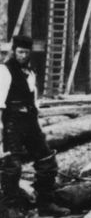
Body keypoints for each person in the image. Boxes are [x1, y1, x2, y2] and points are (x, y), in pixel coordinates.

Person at [0, 35, 69, 217]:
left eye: (26, 52)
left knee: (47, 161)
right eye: (20, 52)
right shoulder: (4, 71)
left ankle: (45, 204)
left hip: (30, 122)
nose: (23, 55)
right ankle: (10, 209)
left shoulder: (30, 73)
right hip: (11, 122)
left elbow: (34, 101)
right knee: (11, 166)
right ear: (14, 52)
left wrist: (36, 124)